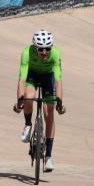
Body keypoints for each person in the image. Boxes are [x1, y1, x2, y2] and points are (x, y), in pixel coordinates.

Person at [13, 30, 66, 172]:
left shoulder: (55, 54)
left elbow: (58, 81)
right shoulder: (26, 53)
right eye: (40, 49)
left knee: (49, 114)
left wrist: (59, 101)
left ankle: (48, 156)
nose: (44, 52)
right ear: (35, 47)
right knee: (28, 97)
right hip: (32, 75)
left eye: (47, 49)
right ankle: (28, 124)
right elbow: (21, 79)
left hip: (48, 78)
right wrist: (20, 100)